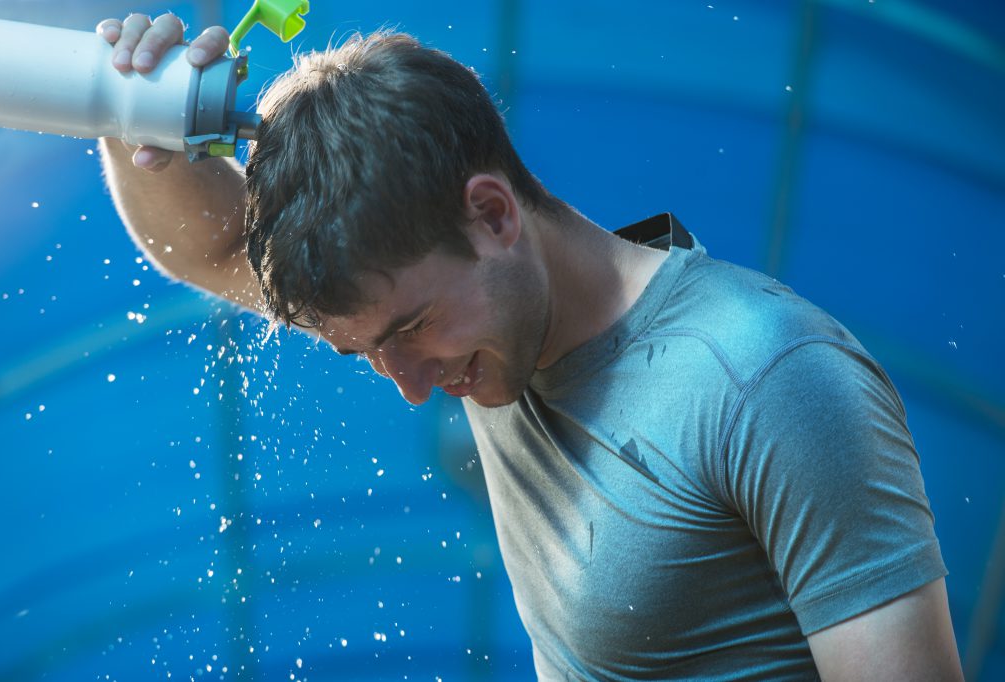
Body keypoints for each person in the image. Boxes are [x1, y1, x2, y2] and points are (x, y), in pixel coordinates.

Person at [95, 13, 964, 681]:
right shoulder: (482, 328)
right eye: (365, 355)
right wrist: (127, 118)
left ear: (494, 214)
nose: (411, 386)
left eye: (409, 332)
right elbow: (208, 250)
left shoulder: (766, 380)